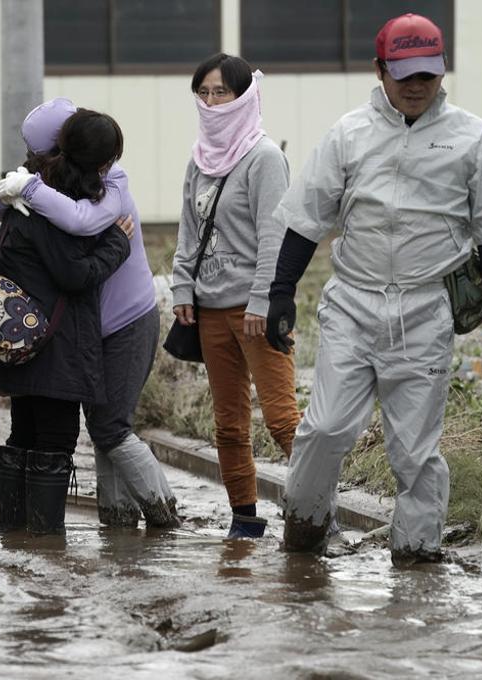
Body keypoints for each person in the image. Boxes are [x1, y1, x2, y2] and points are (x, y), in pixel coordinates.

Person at [265, 13, 482, 566]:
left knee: (414, 450)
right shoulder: (349, 133)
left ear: (441, 74)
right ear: (380, 70)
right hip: (354, 303)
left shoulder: (472, 138)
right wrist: (281, 293)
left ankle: (417, 558)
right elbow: (306, 219)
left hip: (424, 307)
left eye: (427, 77)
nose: (415, 87)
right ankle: (305, 535)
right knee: (324, 429)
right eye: (404, 75)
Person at [0, 98, 180, 529]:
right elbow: (74, 265)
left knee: (108, 427)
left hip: (118, 321)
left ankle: (155, 518)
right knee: (91, 430)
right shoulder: (44, 196)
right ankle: (115, 523)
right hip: (60, 333)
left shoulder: (100, 186)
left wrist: (21, 190)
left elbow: (78, 224)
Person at [0, 109, 133, 536]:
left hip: (24, 337)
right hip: (53, 345)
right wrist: (118, 243)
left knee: (24, 434)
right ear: (99, 164)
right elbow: (74, 275)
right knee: (54, 440)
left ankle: (16, 537)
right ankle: (43, 547)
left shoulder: (28, 189)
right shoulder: (55, 208)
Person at [170, 53, 300, 539]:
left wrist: (264, 301)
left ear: (243, 96)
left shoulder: (264, 158)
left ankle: (315, 510)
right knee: (228, 425)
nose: (210, 101)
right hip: (209, 311)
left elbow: (276, 236)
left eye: (220, 91)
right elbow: (188, 229)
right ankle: (245, 518)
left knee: (284, 422)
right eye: (202, 92)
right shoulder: (199, 158)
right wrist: (183, 286)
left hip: (255, 312)